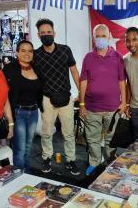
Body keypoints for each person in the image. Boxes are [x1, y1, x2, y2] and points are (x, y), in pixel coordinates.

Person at [33, 18, 80, 175]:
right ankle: (47, 158)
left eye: (49, 32)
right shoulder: (35, 55)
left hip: (66, 98)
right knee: (47, 132)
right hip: (47, 99)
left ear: (54, 33)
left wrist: (81, 92)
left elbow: (74, 71)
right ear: (38, 35)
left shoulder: (65, 50)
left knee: (68, 132)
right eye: (43, 33)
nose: (47, 35)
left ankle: (71, 160)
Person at [79, 24, 126, 175]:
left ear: (109, 37)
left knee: (111, 139)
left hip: (113, 108)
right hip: (92, 107)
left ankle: (110, 163)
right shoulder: (88, 57)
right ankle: (94, 163)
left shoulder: (117, 56)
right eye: (97, 36)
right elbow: (83, 81)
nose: (100, 39)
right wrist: (81, 104)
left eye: (103, 36)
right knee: (92, 139)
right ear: (93, 38)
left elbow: (121, 81)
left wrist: (124, 102)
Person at [3, 40, 43, 172]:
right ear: (17, 52)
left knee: (28, 146)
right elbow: (4, 93)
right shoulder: (9, 69)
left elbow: (40, 91)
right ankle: (19, 174)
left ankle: (27, 171)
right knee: (19, 148)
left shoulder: (37, 67)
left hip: (33, 112)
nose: (27, 54)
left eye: (30, 51)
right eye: (23, 50)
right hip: (18, 112)